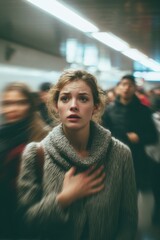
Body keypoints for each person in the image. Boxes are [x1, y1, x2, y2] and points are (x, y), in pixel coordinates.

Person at [17, 69, 137, 240]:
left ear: (95, 107)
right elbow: (25, 222)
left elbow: (128, 221)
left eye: (83, 98)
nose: (73, 105)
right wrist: (64, 199)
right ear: (56, 106)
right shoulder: (36, 153)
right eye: (65, 98)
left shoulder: (120, 154)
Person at [0, 82, 50, 239]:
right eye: (7, 103)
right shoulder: (4, 134)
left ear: (30, 105)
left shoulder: (42, 138)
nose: (12, 109)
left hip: (25, 223)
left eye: (20, 103)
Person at [102, 74, 158, 191]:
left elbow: (153, 136)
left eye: (130, 85)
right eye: (123, 85)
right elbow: (102, 134)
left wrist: (139, 137)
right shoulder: (109, 110)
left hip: (137, 160)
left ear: (135, 89)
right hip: (114, 159)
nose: (126, 88)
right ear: (118, 88)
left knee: (133, 193)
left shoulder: (144, 111)